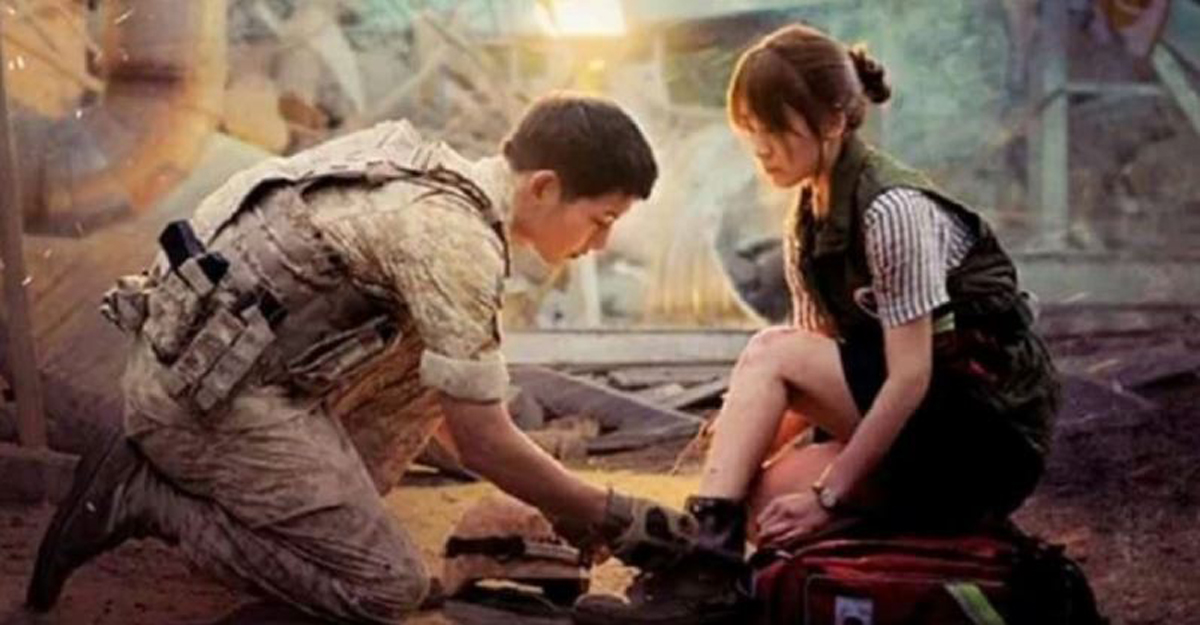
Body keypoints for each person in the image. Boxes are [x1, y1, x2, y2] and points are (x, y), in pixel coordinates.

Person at [26, 93, 692, 624]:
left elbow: (454, 406)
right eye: (602, 219)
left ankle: (299, 523)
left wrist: (563, 502)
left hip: (234, 371)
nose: (600, 245)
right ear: (543, 187)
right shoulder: (453, 237)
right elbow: (483, 439)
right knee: (384, 588)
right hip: (203, 399)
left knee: (450, 358)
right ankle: (148, 497)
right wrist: (610, 511)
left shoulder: (432, 177)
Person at [573, 23, 1061, 625]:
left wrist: (829, 494)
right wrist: (727, 459)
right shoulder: (808, 217)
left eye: (775, 128)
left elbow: (907, 377)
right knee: (765, 504)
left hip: (982, 437)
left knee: (772, 351)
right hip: (922, 429)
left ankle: (704, 576)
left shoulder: (892, 210)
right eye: (749, 129)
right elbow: (816, 374)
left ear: (831, 121)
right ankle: (736, 579)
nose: (760, 147)